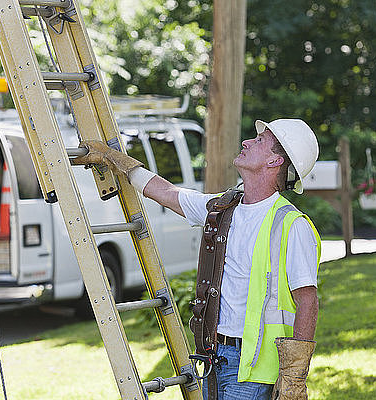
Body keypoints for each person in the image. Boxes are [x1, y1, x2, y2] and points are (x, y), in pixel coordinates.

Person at [75, 119, 321, 400]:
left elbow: (307, 300)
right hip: (215, 355)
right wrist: (114, 158)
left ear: (275, 160)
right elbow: (167, 193)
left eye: (260, 141)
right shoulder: (222, 209)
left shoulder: (291, 224)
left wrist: (294, 376)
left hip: (253, 369)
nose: (247, 142)